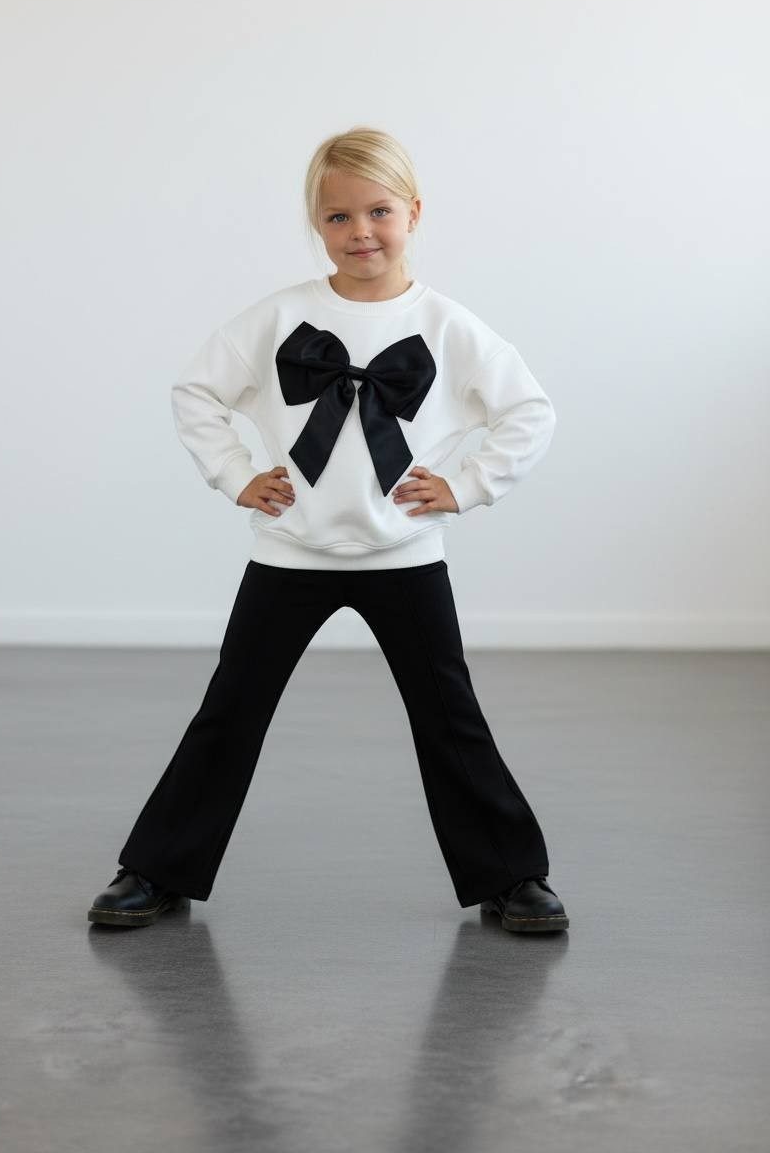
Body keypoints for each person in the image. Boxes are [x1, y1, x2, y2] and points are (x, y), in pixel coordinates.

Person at [87, 125, 569, 933]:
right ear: (317, 223)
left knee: (449, 716)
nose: (360, 233)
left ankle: (511, 876)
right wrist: (237, 474)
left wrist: (465, 485)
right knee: (231, 708)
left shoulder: (447, 325)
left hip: (403, 554)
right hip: (291, 553)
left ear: (414, 212)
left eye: (378, 212)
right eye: (338, 217)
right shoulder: (281, 316)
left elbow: (530, 411)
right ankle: (158, 870)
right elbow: (196, 392)